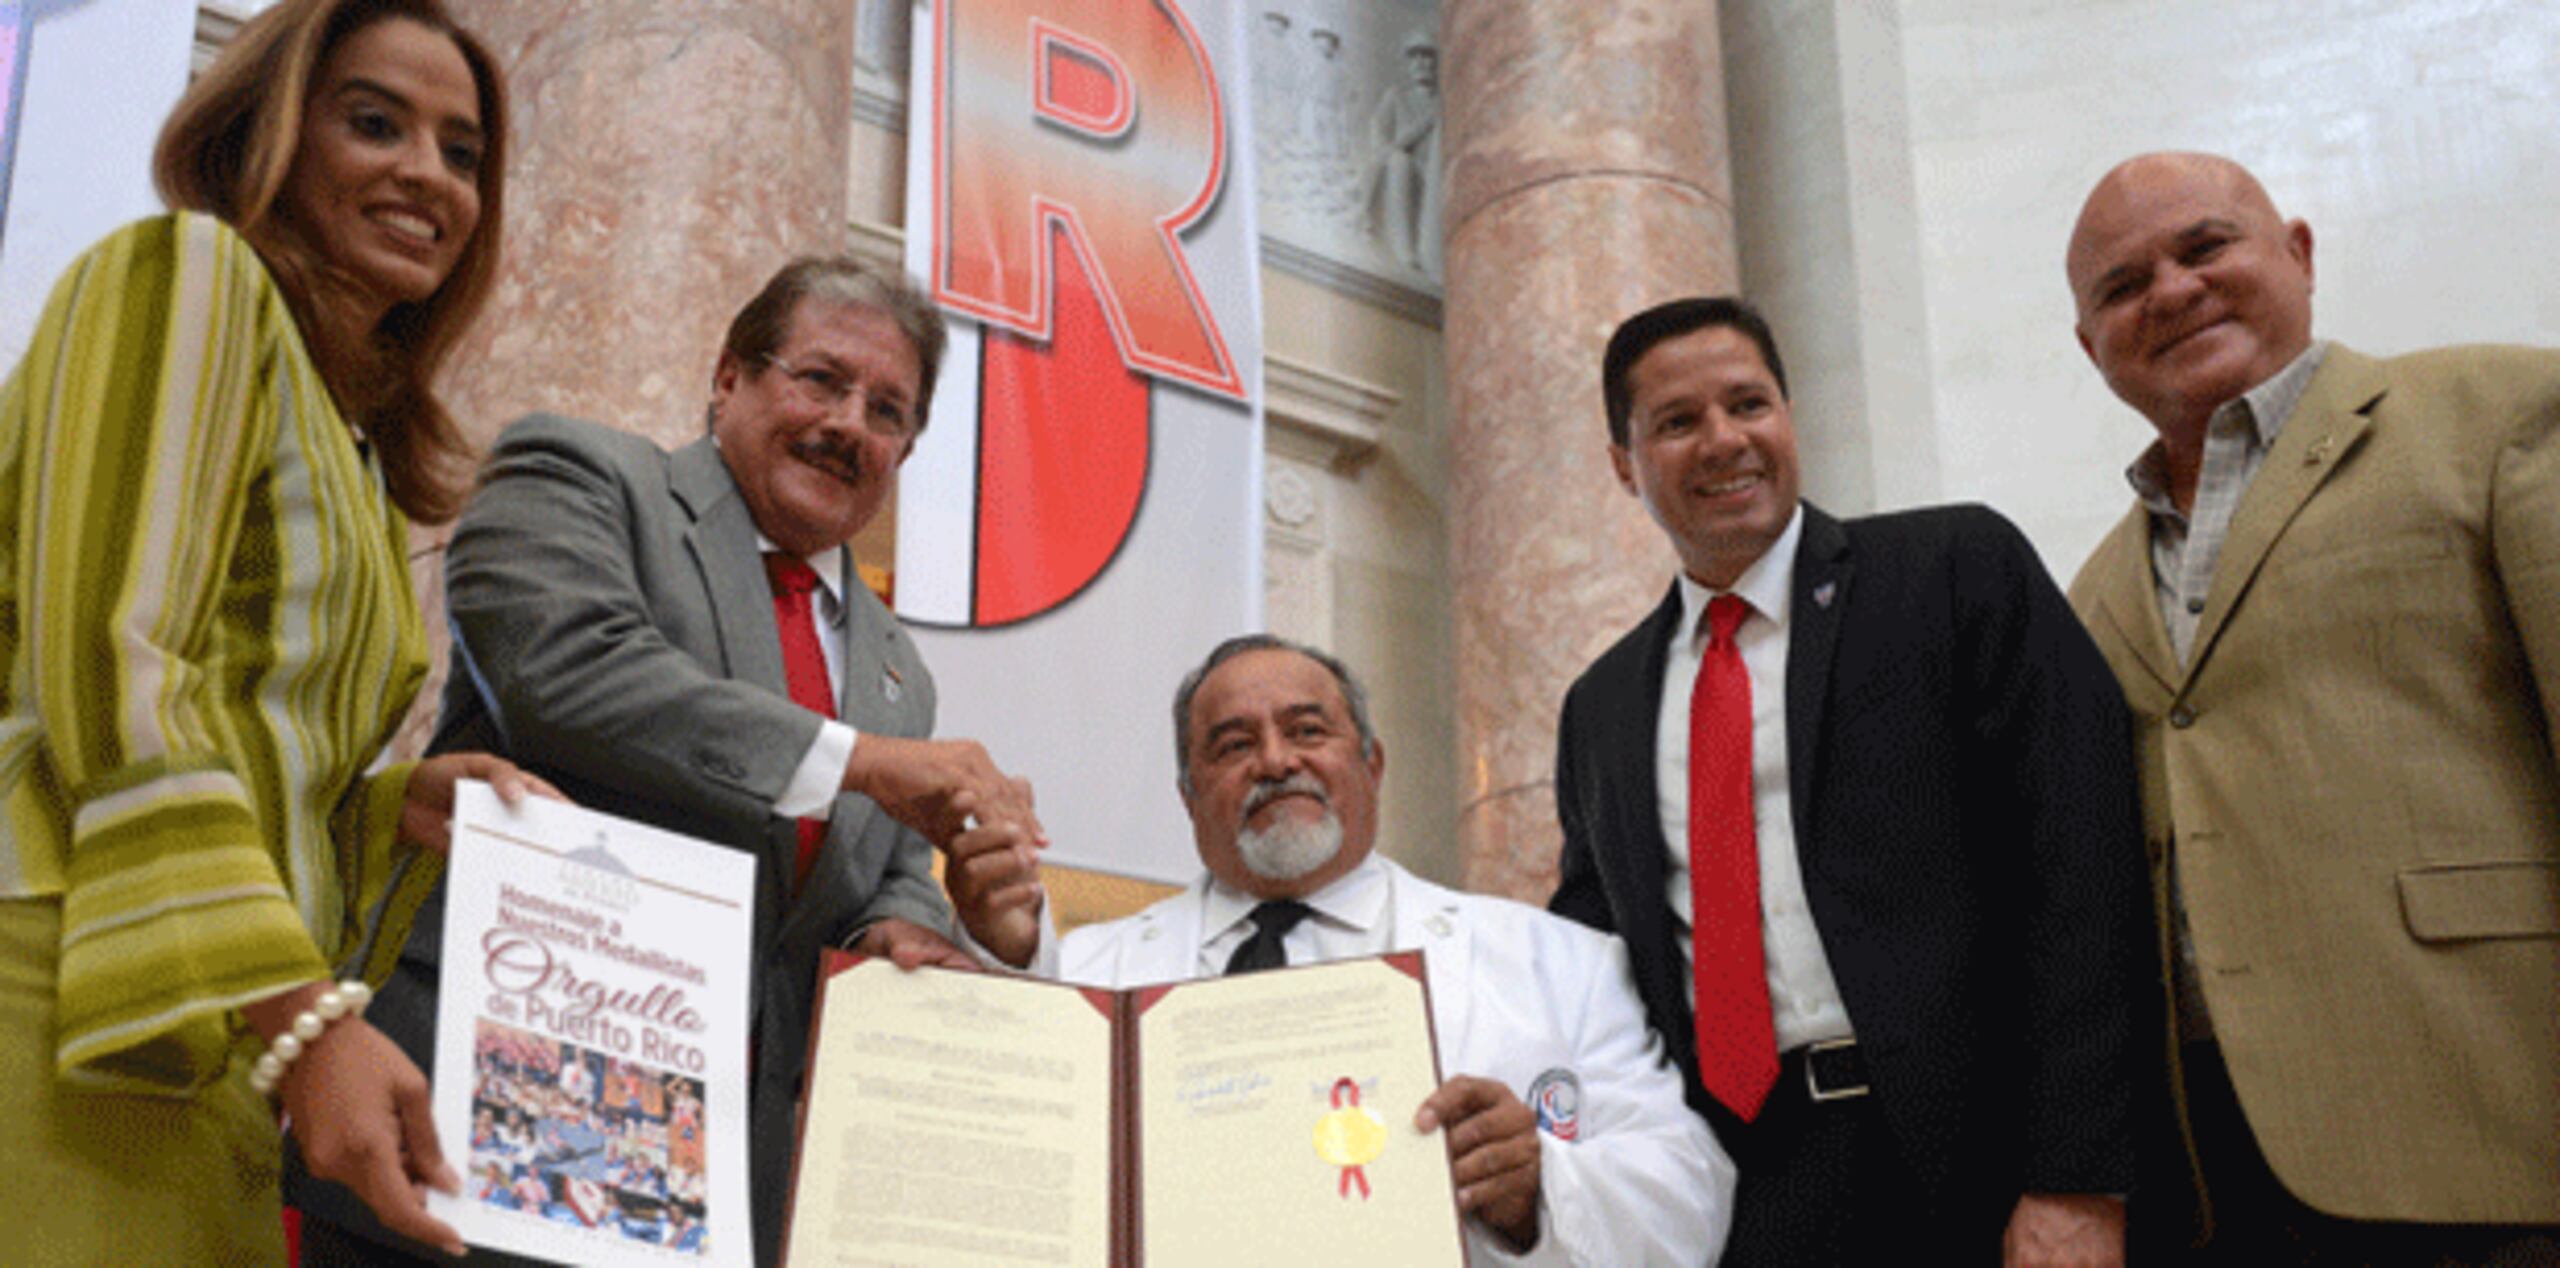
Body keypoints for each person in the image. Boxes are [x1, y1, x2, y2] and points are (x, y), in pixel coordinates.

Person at [288, 254, 1044, 1267]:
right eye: (819, 379)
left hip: (715, 1196)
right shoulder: (584, 476)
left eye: (888, 410)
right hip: (483, 1139)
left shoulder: (897, 667)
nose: (849, 424)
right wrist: (862, 760)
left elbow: (877, 872)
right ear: (730, 376)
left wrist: (926, 921)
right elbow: (564, 668)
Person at [0, 0, 551, 1261]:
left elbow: (246, 728)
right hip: (59, 987)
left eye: (462, 152)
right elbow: (112, 660)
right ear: (269, 135)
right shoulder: (186, 274)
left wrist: (383, 804)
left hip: (216, 1034)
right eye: (375, 123)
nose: (426, 172)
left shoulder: (350, 434)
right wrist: (305, 1019)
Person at [1549, 297, 2154, 1264]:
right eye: (1676, 422)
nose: (1723, 442)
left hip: (1985, 1171)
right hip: (1737, 1189)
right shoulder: (1602, 707)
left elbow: (2083, 868)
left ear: (1789, 416)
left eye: (1748, 404)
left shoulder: (1953, 570)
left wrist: (2076, 1174)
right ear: (1624, 464)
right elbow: (1590, 965)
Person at [2062, 151, 2560, 1259]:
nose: (2172, 291)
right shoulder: (2089, 589)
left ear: (2296, 252)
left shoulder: (2498, 412)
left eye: (2203, 247)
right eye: (2121, 286)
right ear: (2090, 346)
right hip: (2218, 1173)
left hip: (2498, 1123)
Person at [953, 634, 1736, 1265]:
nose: (1274, 761)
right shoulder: (1081, 979)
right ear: (1188, 797)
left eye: (1307, 730)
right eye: (1231, 746)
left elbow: (1691, 1201)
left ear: (1372, 764)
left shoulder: (1557, 964)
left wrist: (1540, 1187)